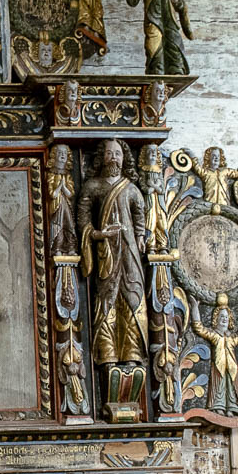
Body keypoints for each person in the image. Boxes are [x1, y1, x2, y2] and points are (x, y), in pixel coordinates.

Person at [76, 139, 148, 367]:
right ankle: (107, 354)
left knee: (132, 295)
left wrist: (140, 237)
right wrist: (96, 234)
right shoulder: (93, 186)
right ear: (102, 157)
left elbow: (139, 215)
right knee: (106, 298)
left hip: (129, 252)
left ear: (124, 158)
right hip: (105, 252)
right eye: (109, 153)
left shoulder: (131, 188)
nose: (114, 158)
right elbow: (82, 218)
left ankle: (132, 354)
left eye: (117, 153)